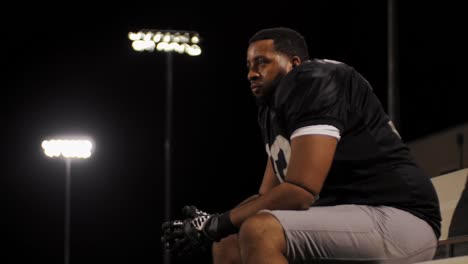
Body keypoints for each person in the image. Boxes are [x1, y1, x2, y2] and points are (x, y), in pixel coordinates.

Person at [161, 27, 441, 264]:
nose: (252, 74)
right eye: (248, 65)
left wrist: (217, 224)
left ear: (295, 64)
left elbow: (300, 191)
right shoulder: (273, 109)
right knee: (227, 244)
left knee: (260, 231)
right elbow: (266, 197)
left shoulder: (314, 80)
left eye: (262, 62)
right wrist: (217, 224)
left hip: (400, 218)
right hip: (354, 220)